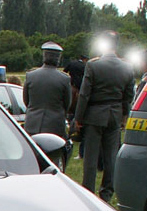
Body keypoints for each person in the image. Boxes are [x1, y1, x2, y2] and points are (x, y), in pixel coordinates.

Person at [73, 31, 135, 202]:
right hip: (114, 114)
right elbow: (128, 96)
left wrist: (78, 117)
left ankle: (88, 192)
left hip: (94, 114)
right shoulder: (127, 67)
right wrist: (124, 115)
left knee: (91, 158)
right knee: (111, 157)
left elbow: (84, 94)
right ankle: (107, 193)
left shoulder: (93, 66)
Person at [22, 41, 73, 166]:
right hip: (55, 124)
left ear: (44, 56)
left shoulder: (31, 75)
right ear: (58, 59)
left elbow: (26, 100)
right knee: (53, 158)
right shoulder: (64, 79)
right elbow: (68, 103)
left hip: (32, 123)